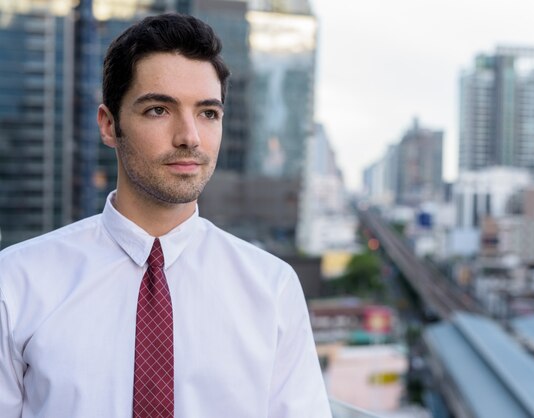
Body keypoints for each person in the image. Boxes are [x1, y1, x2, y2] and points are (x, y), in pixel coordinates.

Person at [0, 13, 332, 418]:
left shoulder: (272, 289)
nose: (189, 136)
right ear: (109, 125)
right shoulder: (15, 282)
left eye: (208, 113)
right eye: (159, 109)